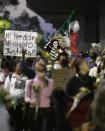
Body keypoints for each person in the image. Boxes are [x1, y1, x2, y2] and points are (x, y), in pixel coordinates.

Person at [65, 57, 96, 131]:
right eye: (85, 63)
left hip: (86, 109)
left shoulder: (90, 79)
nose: (88, 65)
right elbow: (66, 95)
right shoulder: (72, 80)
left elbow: (93, 95)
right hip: (75, 109)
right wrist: (74, 97)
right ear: (80, 66)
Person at [25, 61, 54, 131]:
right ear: (35, 70)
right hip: (33, 109)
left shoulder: (50, 81)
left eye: (43, 70)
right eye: (39, 70)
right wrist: (31, 101)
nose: (41, 72)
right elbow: (26, 97)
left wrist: (44, 82)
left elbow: (49, 94)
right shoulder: (30, 82)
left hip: (46, 110)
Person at [4, 62, 27, 131]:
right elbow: (6, 90)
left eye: (22, 65)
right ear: (15, 67)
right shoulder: (10, 76)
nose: (20, 67)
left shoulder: (25, 77)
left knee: (20, 123)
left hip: (22, 104)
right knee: (11, 121)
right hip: (12, 104)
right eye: (19, 65)